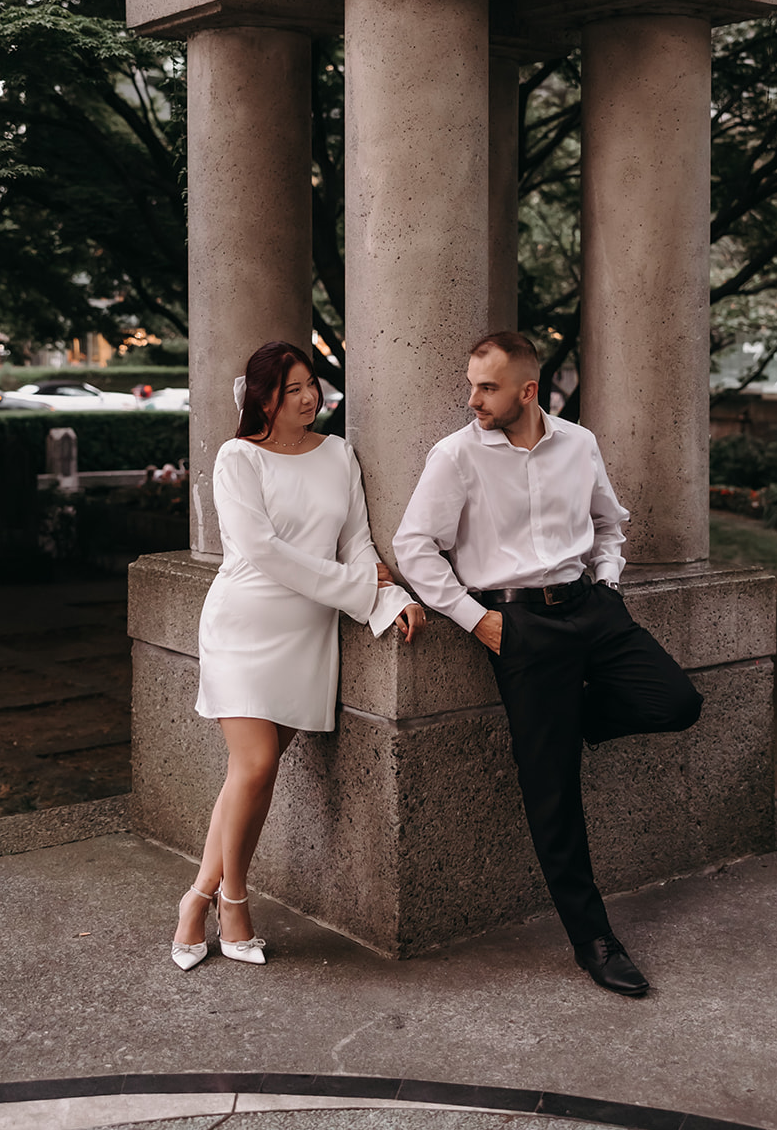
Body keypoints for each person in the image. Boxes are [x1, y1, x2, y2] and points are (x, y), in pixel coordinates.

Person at [393, 331, 702, 997]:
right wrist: (478, 620)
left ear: (526, 392)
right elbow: (414, 547)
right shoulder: (454, 456)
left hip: (591, 610)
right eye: (471, 383)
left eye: (487, 387)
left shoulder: (578, 443)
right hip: (519, 626)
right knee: (551, 791)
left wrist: (609, 581)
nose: (471, 398)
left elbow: (609, 521)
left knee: (676, 702)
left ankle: (569, 723)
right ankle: (593, 940)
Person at [172, 340, 425, 971]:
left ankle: (194, 899)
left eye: (312, 384)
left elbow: (358, 542)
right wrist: (363, 591)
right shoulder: (238, 458)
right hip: (245, 623)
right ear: (263, 397)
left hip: (308, 635)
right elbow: (263, 551)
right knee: (254, 767)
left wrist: (389, 601)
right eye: (293, 389)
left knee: (249, 779)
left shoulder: (339, 453)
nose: (310, 397)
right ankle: (233, 899)